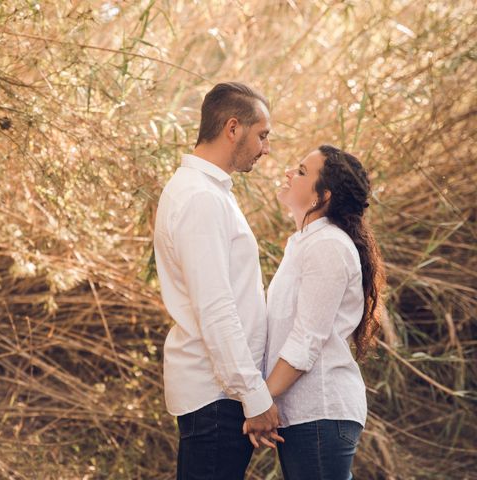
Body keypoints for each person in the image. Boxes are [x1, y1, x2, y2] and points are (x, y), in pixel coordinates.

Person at [153, 82, 283, 480]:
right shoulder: (201, 199)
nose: (265, 149)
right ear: (232, 128)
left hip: (220, 394)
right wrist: (252, 394)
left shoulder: (209, 193)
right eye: (262, 135)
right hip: (217, 396)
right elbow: (215, 307)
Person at [244, 145, 385, 479]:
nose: (289, 173)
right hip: (304, 416)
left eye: (302, 171)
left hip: (321, 412)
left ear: (323, 196)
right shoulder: (305, 244)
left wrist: (260, 400)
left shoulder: (328, 246)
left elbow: (306, 340)